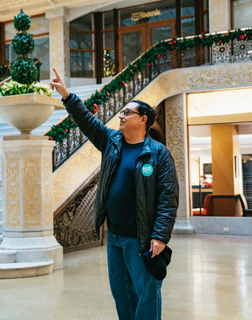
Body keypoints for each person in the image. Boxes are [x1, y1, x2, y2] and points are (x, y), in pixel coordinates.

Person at [50, 68, 179, 320]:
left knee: (146, 292)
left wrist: (160, 235)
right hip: (115, 236)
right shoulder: (112, 143)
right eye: (122, 112)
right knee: (121, 293)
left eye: (127, 113)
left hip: (141, 238)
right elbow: (87, 122)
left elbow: (168, 198)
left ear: (143, 119)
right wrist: (66, 95)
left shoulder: (158, 153)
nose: (121, 116)